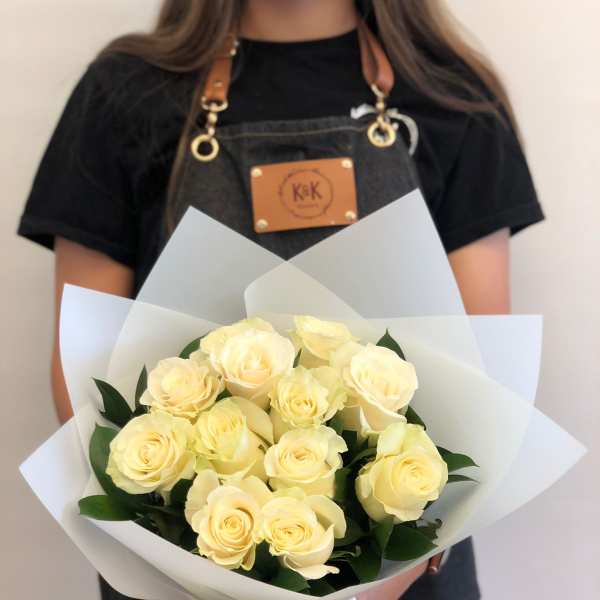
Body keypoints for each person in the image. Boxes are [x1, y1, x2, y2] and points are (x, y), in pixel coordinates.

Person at [17, 1, 544, 598]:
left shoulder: (451, 97)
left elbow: (487, 379)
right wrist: (184, 555)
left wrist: (403, 566)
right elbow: (81, 369)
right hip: (178, 572)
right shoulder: (124, 95)